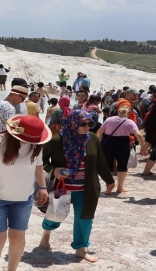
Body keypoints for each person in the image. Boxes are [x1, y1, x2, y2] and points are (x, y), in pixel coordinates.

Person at [38, 110, 116, 263]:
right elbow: (41, 160)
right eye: (83, 124)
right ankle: (46, 234)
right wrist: (54, 170)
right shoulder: (56, 140)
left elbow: (100, 160)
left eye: (90, 124)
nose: (87, 127)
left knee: (84, 218)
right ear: (72, 123)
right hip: (62, 187)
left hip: (85, 189)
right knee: (55, 215)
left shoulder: (92, 139)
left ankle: (81, 249)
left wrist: (109, 179)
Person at [0, 115, 51, 271]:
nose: (32, 143)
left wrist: (43, 187)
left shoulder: (36, 145)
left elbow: (38, 166)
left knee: (18, 239)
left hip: (23, 199)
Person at [96, 103, 144, 194]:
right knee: (122, 166)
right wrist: (142, 146)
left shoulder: (109, 120)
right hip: (122, 144)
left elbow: (99, 132)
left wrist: (97, 142)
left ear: (117, 111)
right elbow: (138, 135)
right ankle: (119, 188)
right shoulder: (130, 122)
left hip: (108, 144)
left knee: (109, 166)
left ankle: (108, 189)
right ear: (129, 113)